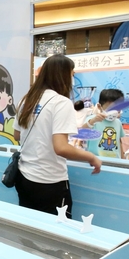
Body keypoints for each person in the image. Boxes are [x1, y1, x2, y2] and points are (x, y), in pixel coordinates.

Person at [14, 54, 101, 218]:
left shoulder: (26, 100)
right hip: (50, 180)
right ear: (63, 75)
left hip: (24, 177)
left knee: (30, 224)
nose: (72, 79)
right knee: (57, 228)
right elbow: (61, 148)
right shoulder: (61, 102)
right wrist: (91, 157)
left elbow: (17, 135)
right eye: (72, 74)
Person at [83, 89, 126, 158]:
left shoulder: (118, 122)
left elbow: (118, 141)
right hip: (96, 159)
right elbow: (81, 131)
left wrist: (122, 158)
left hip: (115, 160)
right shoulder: (92, 119)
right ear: (99, 107)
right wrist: (92, 121)